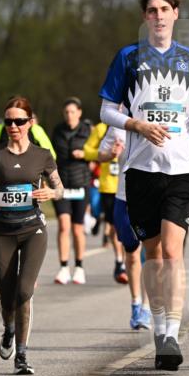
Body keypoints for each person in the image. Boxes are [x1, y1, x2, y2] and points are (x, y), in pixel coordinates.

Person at [99, 0, 189, 370]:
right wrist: (137, 125)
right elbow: (106, 111)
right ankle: (159, 327)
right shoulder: (128, 58)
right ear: (145, 17)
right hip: (141, 168)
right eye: (152, 10)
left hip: (183, 168)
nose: (159, 16)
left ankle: (172, 335)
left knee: (173, 251)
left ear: (176, 14)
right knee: (152, 254)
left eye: (165, 9)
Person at [0, 96, 63, 374]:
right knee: (7, 297)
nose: (13, 126)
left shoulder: (42, 155)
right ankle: (8, 329)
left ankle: (22, 356)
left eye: (19, 121)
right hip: (2, 231)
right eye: (8, 122)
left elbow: (59, 187)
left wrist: (52, 193)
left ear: (30, 122)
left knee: (24, 292)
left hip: (32, 229)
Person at [97, 123, 153, 330]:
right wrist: (111, 153)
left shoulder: (153, 119)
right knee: (131, 251)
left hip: (149, 197)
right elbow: (101, 155)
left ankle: (146, 309)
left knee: (150, 253)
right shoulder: (117, 126)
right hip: (123, 196)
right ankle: (136, 302)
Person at [51, 98, 92, 285]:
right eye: (66, 112)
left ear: (79, 112)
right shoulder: (57, 131)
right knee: (63, 225)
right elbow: (50, 156)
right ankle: (63, 268)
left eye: (72, 112)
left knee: (77, 228)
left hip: (81, 183)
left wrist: (85, 155)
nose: (69, 115)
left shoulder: (87, 131)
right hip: (60, 185)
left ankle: (80, 267)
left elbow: (96, 153)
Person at [84, 120, 127, 283]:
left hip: (131, 184)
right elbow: (87, 151)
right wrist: (107, 152)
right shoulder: (103, 128)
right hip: (109, 186)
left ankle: (133, 260)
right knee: (114, 228)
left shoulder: (138, 121)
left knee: (130, 226)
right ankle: (120, 262)